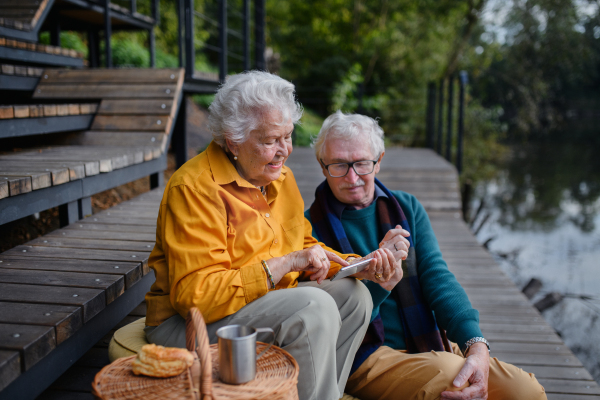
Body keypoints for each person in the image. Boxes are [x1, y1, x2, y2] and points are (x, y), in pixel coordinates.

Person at [143, 72, 399, 400]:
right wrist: (286, 263)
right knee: (314, 305)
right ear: (232, 141)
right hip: (186, 326)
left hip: (256, 304)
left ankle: (320, 394)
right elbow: (196, 298)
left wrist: (352, 265)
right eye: (269, 141)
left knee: (355, 296)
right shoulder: (194, 189)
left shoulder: (280, 178)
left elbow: (301, 244)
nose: (284, 151)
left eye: (288, 136)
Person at [304, 111, 547, 400]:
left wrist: (475, 344)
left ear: (378, 161)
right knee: (449, 375)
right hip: (364, 354)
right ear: (322, 166)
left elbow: (437, 276)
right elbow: (333, 320)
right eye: (339, 165)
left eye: (361, 163)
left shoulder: (406, 207)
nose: (352, 177)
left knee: (525, 391)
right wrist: (380, 282)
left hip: (427, 339)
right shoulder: (308, 230)